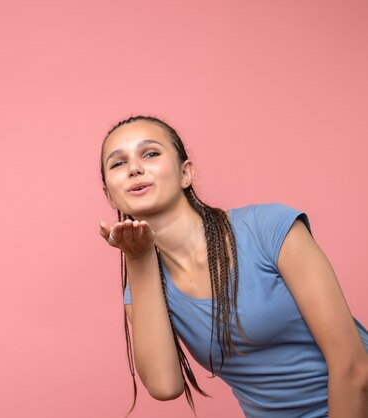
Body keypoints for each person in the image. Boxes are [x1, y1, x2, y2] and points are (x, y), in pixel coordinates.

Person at [97, 115, 368, 418]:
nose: (134, 168)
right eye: (118, 163)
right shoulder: (143, 286)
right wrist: (139, 258)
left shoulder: (268, 228)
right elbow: (164, 386)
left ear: (185, 173)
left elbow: (355, 369)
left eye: (151, 153)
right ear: (109, 194)